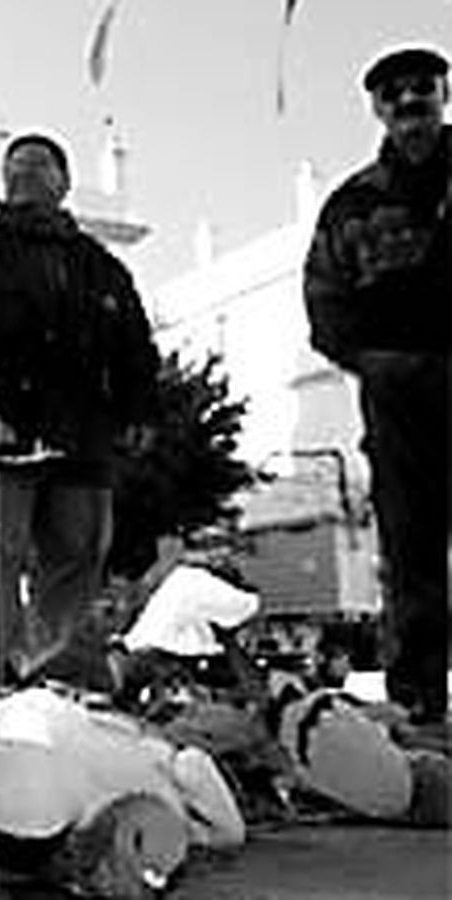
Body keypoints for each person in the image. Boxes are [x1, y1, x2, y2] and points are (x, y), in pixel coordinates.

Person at [0, 132, 161, 686]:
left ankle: (52, 670)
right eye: (15, 166)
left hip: (83, 439)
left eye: (39, 164)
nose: (25, 172)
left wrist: (141, 411)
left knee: (80, 550)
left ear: (64, 183)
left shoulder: (101, 267)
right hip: (0, 431)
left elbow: (135, 349)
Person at [304, 45, 450, 728]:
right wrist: (379, 365)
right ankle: (419, 704)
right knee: (410, 550)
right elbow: (324, 304)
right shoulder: (350, 205)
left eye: (422, 87)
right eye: (394, 93)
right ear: (377, 108)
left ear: (443, 93)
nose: (409, 101)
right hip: (399, 401)